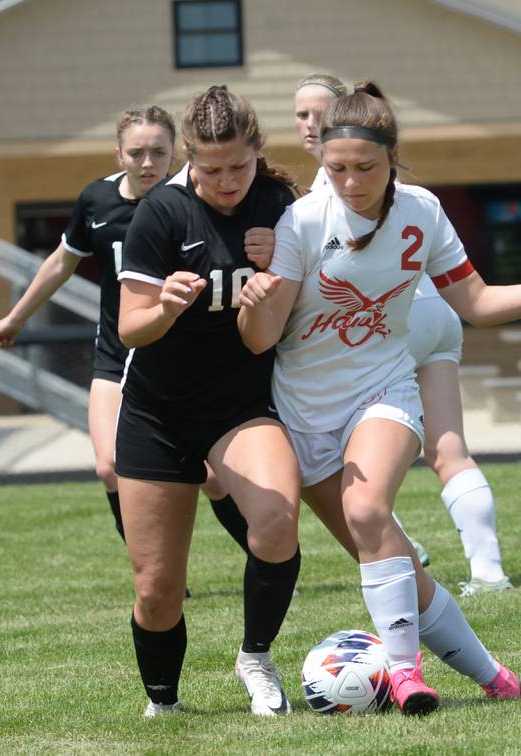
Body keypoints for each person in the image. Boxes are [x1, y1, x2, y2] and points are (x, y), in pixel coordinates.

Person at [239, 81, 521, 715]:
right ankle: (493, 675)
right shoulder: (302, 220)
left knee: (367, 511)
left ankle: (404, 672)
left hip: (383, 390)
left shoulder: (421, 211)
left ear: (393, 158)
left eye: (366, 167)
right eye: (337, 169)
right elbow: (260, 342)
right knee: (396, 566)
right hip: (302, 414)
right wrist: (256, 303)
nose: (351, 181)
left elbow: (475, 302)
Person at [0, 106, 256, 556]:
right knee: (109, 467)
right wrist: (15, 318)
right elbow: (59, 262)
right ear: (119, 155)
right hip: (117, 354)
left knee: (209, 478)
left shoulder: (193, 200)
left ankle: (262, 554)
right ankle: (151, 572)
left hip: (181, 362)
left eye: (158, 152)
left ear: (177, 154)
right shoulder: (97, 202)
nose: (148, 162)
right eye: (137, 153)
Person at [115, 85, 302, 718]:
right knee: (158, 590)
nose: (226, 181)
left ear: (258, 153)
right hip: (157, 412)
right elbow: (130, 328)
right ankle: (163, 705)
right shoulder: (162, 215)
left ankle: (255, 655)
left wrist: (277, 273)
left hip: (240, 405)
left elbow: (303, 302)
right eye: (210, 169)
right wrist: (164, 308)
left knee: (276, 523)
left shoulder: (281, 205)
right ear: (189, 159)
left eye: (239, 167)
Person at [294, 73, 508, 594]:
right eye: (300, 115)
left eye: (317, 113)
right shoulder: (408, 194)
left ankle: (398, 548)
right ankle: (489, 570)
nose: (310, 123)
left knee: (348, 454)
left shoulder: (328, 192)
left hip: (392, 320)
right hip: (438, 311)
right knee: (449, 448)